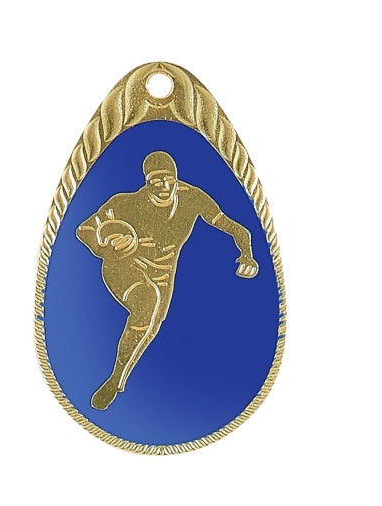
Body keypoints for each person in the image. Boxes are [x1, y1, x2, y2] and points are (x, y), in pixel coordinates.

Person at [76, 150, 259, 410]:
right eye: (156, 180)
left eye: (169, 179)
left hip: (163, 275)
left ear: (176, 178)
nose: (163, 186)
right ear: (146, 182)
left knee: (150, 327)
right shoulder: (126, 202)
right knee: (146, 301)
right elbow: (84, 229)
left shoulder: (193, 198)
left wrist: (247, 255)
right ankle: (114, 382)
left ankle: (116, 379)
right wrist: (105, 248)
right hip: (124, 268)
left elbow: (237, 229)